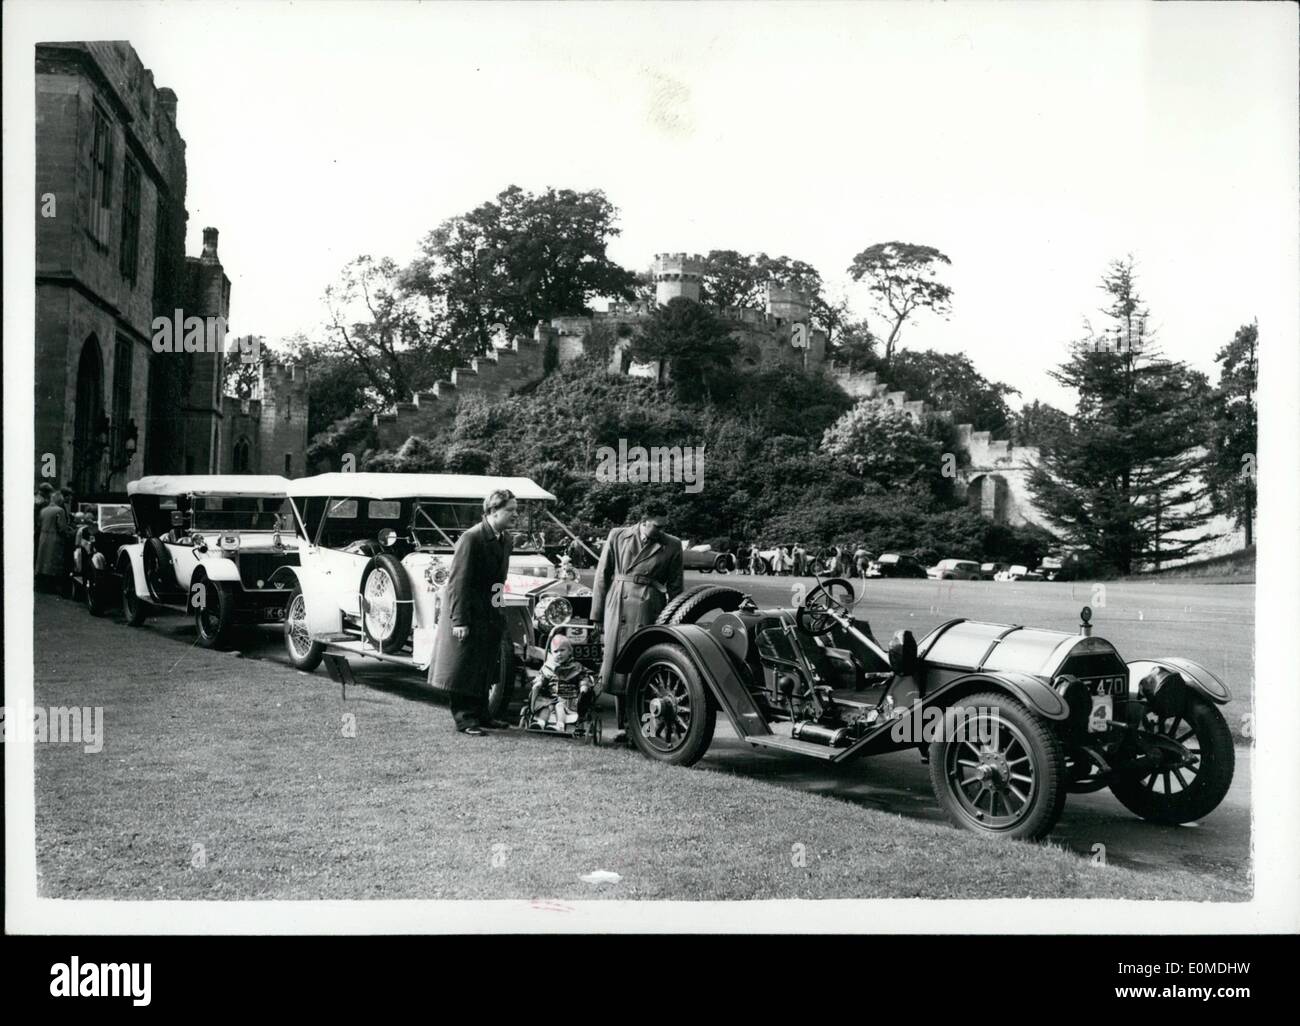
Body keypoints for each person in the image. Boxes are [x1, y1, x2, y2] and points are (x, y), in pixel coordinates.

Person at [591, 501, 684, 745]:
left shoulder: (672, 545)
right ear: (643, 521)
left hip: (649, 608)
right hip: (617, 605)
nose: (661, 529)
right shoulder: (617, 535)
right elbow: (602, 576)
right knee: (619, 668)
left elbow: (676, 587)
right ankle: (624, 727)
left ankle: (645, 730)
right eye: (657, 525)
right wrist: (597, 615)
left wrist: (675, 621)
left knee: (644, 668)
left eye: (665, 525)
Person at [428, 488, 518, 736]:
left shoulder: (506, 539)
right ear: (493, 510)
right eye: (510, 510)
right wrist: (459, 620)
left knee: (486, 665)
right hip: (469, 613)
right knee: (464, 666)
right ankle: (465, 720)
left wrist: (500, 612)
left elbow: (500, 580)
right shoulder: (471, 538)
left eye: (515, 510)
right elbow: (458, 584)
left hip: (490, 614)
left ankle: (483, 715)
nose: (515, 515)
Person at [35, 488, 73, 593]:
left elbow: (39, 524)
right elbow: (62, 527)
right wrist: (68, 532)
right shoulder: (59, 511)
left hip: (43, 537)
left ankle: (41, 585)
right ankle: (51, 587)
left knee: (42, 561)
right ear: (60, 500)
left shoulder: (44, 510)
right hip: (54, 539)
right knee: (53, 562)